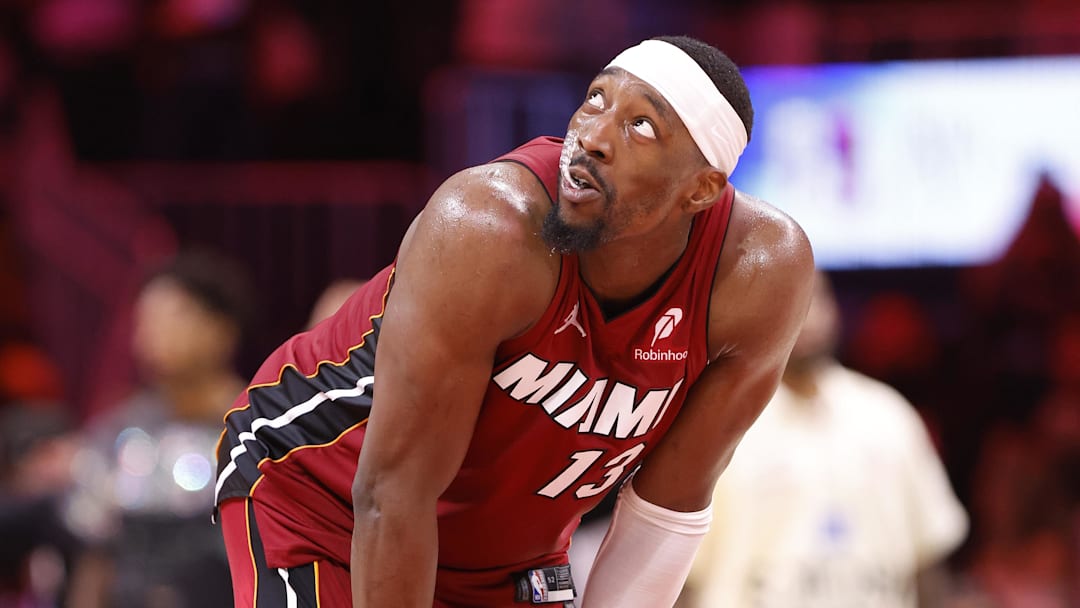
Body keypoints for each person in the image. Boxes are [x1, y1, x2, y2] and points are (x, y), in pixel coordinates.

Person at [215, 35, 815, 608]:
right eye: (596, 99)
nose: (593, 137)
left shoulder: (759, 272)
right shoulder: (486, 229)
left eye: (640, 125)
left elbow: (667, 510)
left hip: (507, 561)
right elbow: (392, 494)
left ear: (702, 190)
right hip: (325, 502)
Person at [680, 271, 969, 608]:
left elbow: (927, 556)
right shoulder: (720, 424)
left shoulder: (888, 415)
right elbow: (683, 571)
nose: (807, 314)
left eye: (816, 298)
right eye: (786, 298)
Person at [65, 249, 253, 607]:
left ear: (221, 329)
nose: (152, 333)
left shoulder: (256, 429)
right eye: (144, 321)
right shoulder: (118, 431)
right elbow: (95, 555)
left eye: (171, 317)